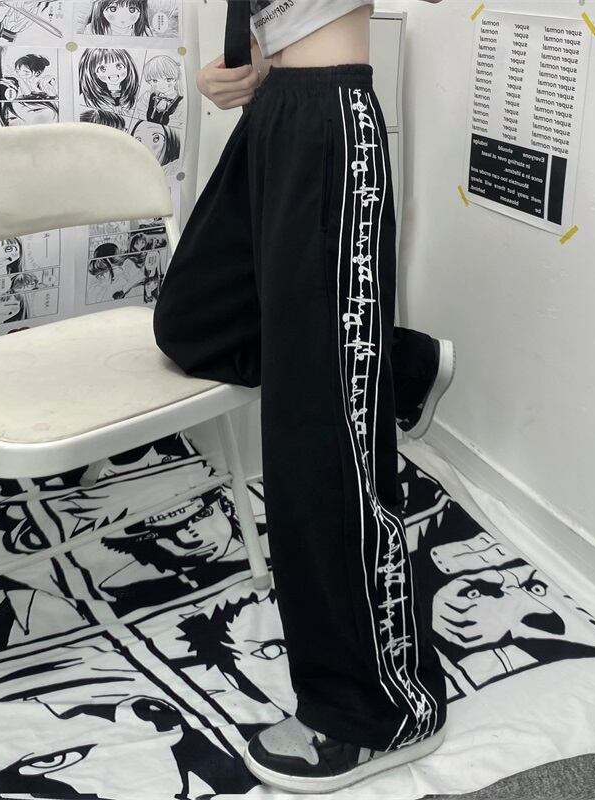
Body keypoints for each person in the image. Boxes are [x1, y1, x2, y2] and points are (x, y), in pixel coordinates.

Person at [153, 0, 454, 792]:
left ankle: (379, 709)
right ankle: (393, 367)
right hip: (276, 110)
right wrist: (249, 59)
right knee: (193, 322)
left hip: (328, 115)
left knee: (315, 441)